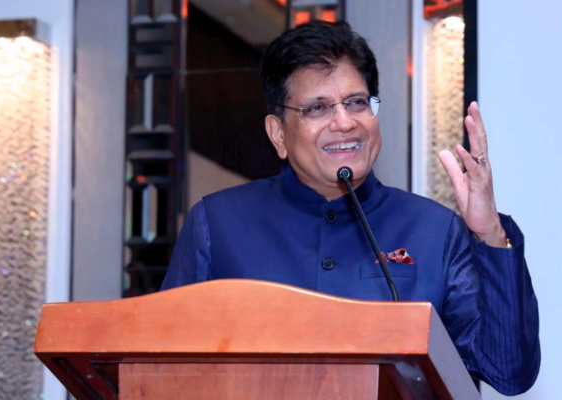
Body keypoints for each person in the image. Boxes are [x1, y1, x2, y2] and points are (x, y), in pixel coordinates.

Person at [161, 20, 540, 395]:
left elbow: (508, 372)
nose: (344, 122)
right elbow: (161, 363)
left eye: (356, 102)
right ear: (278, 133)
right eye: (317, 108)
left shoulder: (436, 230)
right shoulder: (217, 224)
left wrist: (490, 233)